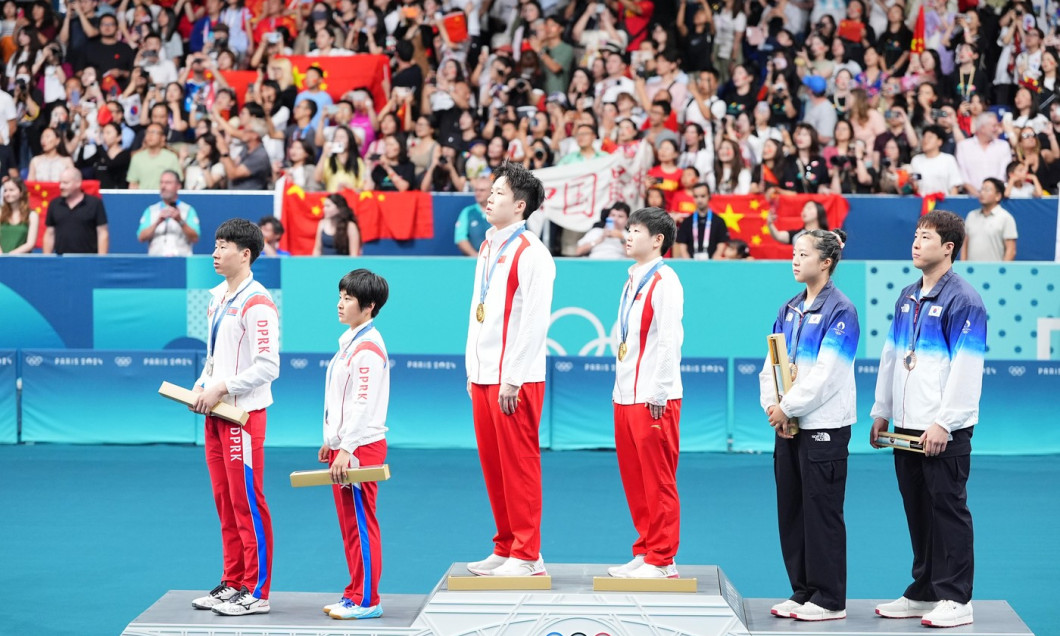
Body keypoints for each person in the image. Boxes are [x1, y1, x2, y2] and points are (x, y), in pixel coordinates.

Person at [870, 210, 986, 629]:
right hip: (904, 425)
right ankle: (925, 590)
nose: (916, 243)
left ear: (948, 248)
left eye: (926, 237)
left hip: (942, 428)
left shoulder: (965, 300)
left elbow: (967, 368)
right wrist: (882, 411)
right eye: (915, 235)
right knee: (917, 509)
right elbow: (891, 356)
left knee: (948, 509)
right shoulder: (907, 295)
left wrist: (947, 422)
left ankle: (957, 597)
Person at [758, 228, 858, 622]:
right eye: (793, 253)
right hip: (787, 425)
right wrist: (773, 406)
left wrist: (789, 407)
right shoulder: (789, 308)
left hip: (823, 428)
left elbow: (827, 375)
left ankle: (830, 599)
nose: (795, 260)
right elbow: (772, 362)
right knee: (792, 511)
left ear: (826, 262)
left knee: (822, 512)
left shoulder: (841, 311)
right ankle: (803, 591)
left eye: (803, 254)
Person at [465, 162, 554, 578]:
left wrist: (513, 376)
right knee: (493, 466)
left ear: (519, 205)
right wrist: (472, 369)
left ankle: (527, 554)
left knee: (518, 466)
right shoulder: (487, 247)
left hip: (513, 381)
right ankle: (504, 546)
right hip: (483, 376)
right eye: (491, 190)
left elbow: (535, 321)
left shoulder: (532, 253)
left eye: (499, 192)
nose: (490, 196)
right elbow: (478, 315)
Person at [189, 218, 279, 617]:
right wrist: (202, 383)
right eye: (215, 244)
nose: (215, 252)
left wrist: (221, 387)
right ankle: (233, 581)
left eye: (223, 246)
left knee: (247, 502)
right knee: (225, 501)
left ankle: (257, 590)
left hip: (243, 415)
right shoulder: (217, 298)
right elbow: (214, 359)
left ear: (245, 254)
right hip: (215, 412)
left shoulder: (258, 303)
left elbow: (268, 366)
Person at [606, 205, 684, 579]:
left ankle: (663, 558)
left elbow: (669, 342)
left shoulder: (665, 282)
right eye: (628, 229)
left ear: (657, 240)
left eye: (635, 230)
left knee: (658, 479)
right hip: (626, 394)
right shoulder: (630, 279)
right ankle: (645, 548)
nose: (627, 234)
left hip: (654, 397)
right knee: (635, 479)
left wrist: (659, 392)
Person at [318, 268, 390, 621]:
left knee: (361, 523)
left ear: (369, 305)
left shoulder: (368, 349)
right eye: (341, 295)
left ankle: (368, 599)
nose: (340, 304)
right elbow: (340, 401)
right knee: (350, 525)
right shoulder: (349, 342)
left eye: (348, 298)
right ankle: (355, 592)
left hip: (360, 448)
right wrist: (330, 440)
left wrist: (346, 448)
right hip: (345, 446)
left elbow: (362, 404)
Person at [42, 168, 108, 255]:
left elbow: (102, 233)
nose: (61, 186)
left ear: (78, 183)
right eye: (60, 183)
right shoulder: (54, 204)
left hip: (88, 260)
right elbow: (50, 233)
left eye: (65, 183)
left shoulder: (94, 203)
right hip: (61, 260)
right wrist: (47, 260)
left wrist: (101, 260)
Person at [137, 170, 201, 256]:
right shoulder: (151, 210)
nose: (163, 186)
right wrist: (157, 222)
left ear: (178, 186)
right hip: (156, 260)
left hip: (180, 261)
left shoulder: (188, 210)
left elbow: (195, 238)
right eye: (161, 182)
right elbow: (141, 237)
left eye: (168, 183)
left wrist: (180, 220)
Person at [961, 178, 1018, 262]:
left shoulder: (1006, 218)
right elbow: (965, 244)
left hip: (995, 272)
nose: (982, 193)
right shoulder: (971, 215)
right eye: (981, 189)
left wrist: (1002, 272)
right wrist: (964, 266)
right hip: (971, 271)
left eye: (987, 190)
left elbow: (1011, 250)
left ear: (998, 196)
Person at [673, 183, 729, 259]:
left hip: (713, 265)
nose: (699, 200)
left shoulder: (719, 221)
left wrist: (714, 262)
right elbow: (682, 246)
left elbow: (721, 244)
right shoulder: (686, 222)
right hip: (691, 265)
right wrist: (688, 262)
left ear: (709, 196)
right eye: (696, 196)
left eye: (703, 196)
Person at [127, 123, 184, 190]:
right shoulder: (137, 158)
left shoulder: (171, 157)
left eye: (154, 132)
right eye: (148, 132)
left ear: (163, 137)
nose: (150, 135)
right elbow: (133, 183)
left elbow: (178, 181)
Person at [454, 176, 491, 256]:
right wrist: (475, 256)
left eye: (482, 190)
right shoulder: (467, 212)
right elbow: (460, 238)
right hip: (473, 262)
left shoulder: (499, 212)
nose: (478, 193)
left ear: (491, 192)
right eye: (476, 190)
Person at [0, 177, 37, 254]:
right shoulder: (1, 212)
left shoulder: (32, 215)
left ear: (21, 192)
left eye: (11, 190)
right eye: (5, 190)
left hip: (21, 261)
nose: (7, 193)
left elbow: (30, 244)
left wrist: (9, 255)